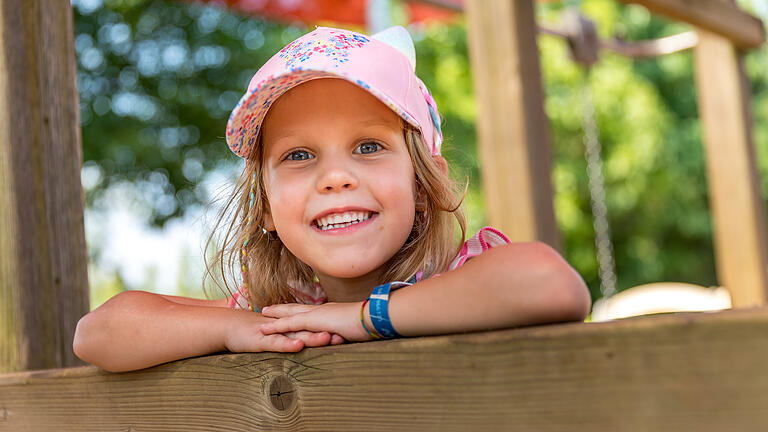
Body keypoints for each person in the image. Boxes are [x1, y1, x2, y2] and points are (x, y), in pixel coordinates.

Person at [73, 26, 590, 373]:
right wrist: (233, 326)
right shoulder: (287, 311)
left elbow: (551, 284)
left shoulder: (461, 276)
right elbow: (98, 333)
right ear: (268, 210)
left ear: (424, 185)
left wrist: (365, 317)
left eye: (369, 147)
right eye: (299, 155)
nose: (335, 177)